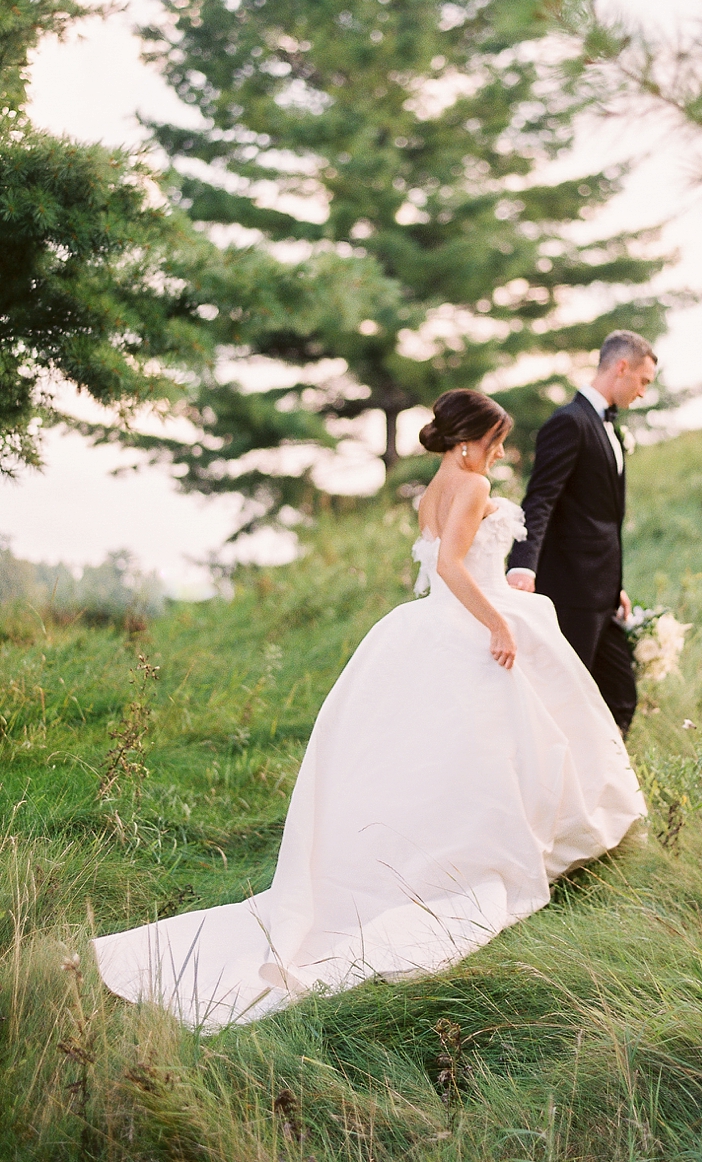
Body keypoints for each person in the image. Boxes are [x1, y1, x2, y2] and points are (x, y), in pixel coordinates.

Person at [92, 389, 645, 1030]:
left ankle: (442, 849)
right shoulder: (467, 485)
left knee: (450, 754)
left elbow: (431, 570)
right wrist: (497, 622)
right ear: (468, 441)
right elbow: (450, 566)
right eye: (494, 439)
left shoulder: (433, 488)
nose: (500, 449)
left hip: (432, 623)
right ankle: (500, 852)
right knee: (501, 746)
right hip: (473, 616)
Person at [507, 330, 658, 736]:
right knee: (562, 699)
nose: (643, 392)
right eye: (643, 381)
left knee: (620, 696)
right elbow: (540, 499)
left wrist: (616, 586)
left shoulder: (610, 428)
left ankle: (599, 788)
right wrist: (522, 566)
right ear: (621, 367)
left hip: (602, 591)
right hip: (569, 589)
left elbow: (603, 518)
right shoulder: (569, 422)